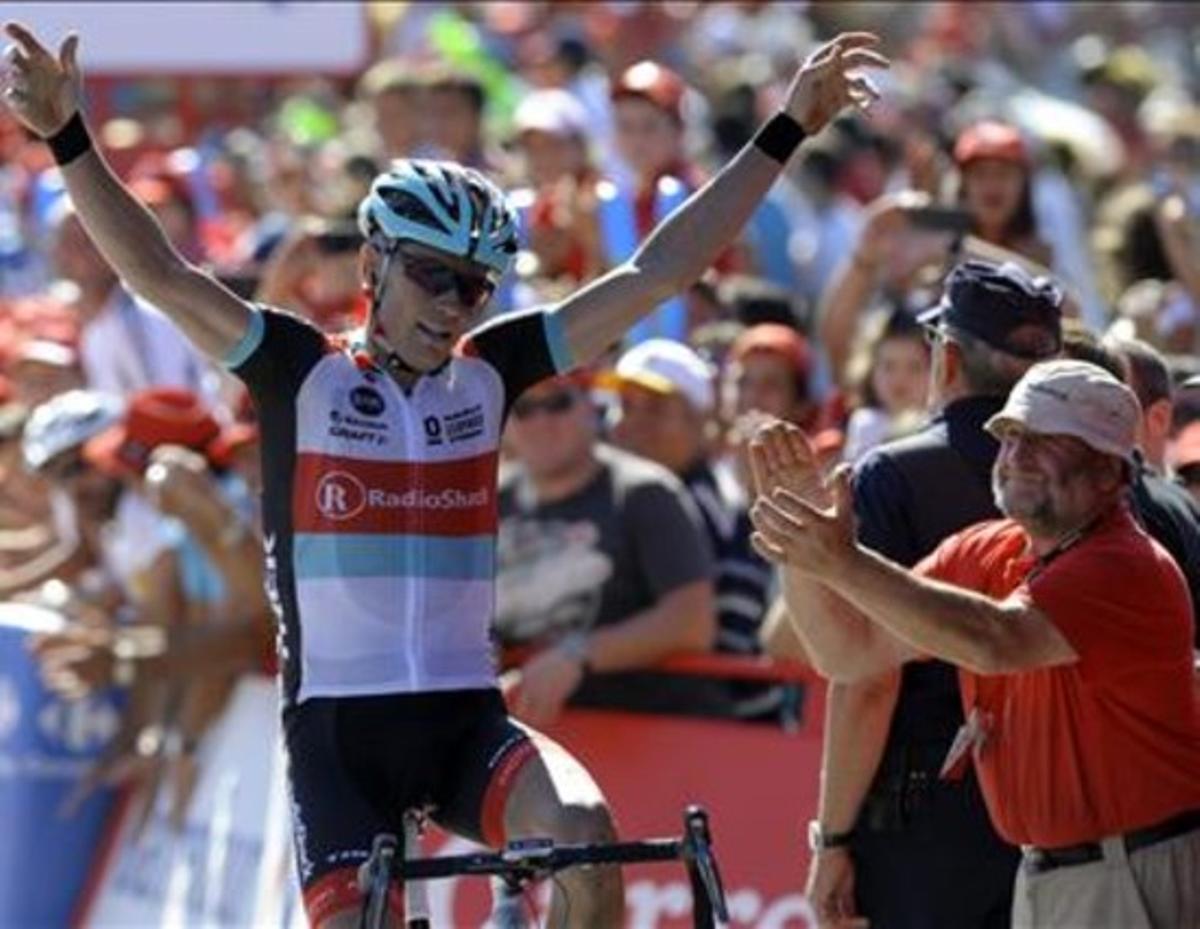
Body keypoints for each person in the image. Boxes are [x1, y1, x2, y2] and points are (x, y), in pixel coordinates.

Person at [0, 21, 888, 927]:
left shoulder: (492, 369)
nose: (455, 305)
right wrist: (68, 138)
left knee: (586, 841)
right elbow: (159, 274)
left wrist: (787, 126)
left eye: (477, 285)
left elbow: (658, 271)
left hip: (467, 721)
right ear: (373, 264)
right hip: (338, 740)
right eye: (434, 277)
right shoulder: (297, 370)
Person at [752, 360, 1200, 929]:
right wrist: (801, 549)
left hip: (1132, 872)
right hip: (1061, 873)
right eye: (1011, 436)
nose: (1017, 455)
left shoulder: (1124, 564)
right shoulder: (987, 550)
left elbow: (996, 640)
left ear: (1110, 473)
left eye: (1046, 441)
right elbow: (847, 654)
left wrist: (840, 560)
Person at [801, 260, 1065, 929]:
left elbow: (865, 676)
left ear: (946, 357)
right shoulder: (1112, 476)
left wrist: (832, 838)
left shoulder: (893, 473)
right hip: (1075, 807)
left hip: (933, 822)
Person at [496, 371, 719, 724]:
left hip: (650, 737)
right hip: (533, 735)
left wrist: (576, 654)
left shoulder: (643, 492)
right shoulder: (490, 501)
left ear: (590, 407)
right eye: (524, 408)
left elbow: (692, 623)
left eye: (558, 403)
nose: (541, 421)